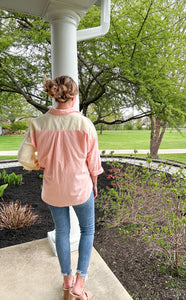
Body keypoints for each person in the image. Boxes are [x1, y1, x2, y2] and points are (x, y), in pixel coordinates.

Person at [18, 75, 103, 300]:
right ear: (74, 96)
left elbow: (23, 157)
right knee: (87, 231)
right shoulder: (84, 124)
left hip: (53, 188)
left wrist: (41, 165)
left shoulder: (37, 124)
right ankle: (80, 282)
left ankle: (67, 283)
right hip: (80, 188)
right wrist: (94, 183)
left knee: (62, 232)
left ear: (53, 94)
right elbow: (93, 162)